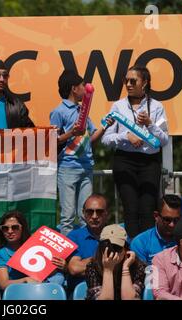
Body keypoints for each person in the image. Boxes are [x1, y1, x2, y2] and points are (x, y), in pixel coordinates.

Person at [101, 65, 169, 239]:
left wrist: (149, 123)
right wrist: (126, 136)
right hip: (125, 160)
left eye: (133, 81)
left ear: (144, 83)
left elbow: (163, 140)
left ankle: (145, 255)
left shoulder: (156, 106)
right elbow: (105, 139)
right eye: (126, 81)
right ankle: (133, 254)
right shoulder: (118, 106)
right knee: (130, 209)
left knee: (148, 209)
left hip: (149, 161)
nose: (128, 84)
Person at [50, 70, 114, 234]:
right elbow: (53, 140)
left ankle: (87, 249)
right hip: (67, 167)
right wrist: (72, 133)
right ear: (74, 88)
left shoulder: (82, 111)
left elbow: (91, 138)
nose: (85, 90)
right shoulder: (59, 112)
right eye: (82, 86)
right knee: (68, 217)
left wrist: (105, 125)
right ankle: (68, 256)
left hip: (86, 166)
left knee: (86, 215)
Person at [0, 210, 66, 291]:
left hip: (44, 288)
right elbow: (3, 284)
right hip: (18, 293)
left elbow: (52, 272)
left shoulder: (36, 245)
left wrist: (62, 266)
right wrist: (25, 280)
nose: (10, 231)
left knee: (58, 277)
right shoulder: (0, 254)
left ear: (22, 228)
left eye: (15, 227)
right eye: (5, 228)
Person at [85, 224, 146, 300]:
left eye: (116, 247)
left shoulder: (137, 266)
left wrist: (125, 268)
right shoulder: (92, 267)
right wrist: (108, 270)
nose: (112, 252)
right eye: (107, 247)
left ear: (125, 249)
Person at [66, 193, 110, 295]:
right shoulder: (74, 236)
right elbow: (74, 268)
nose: (94, 216)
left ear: (107, 213)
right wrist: (105, 264)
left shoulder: (116, 234)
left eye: (99, 212)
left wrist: (87, 262)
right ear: (83, 213)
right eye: (90, 212)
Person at [130, 194, 182, 265]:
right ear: (156, 216)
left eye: (176, 220)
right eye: (167, 219)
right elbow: (140, 274)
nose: (172, 225)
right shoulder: (140, 243)